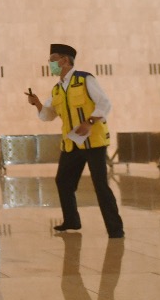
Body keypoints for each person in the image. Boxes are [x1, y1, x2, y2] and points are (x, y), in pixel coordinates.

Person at [26, 43, 125, 238]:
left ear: (64, 60)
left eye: (53, 59)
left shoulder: (85, 79)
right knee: (63, 181)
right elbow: (48, 115)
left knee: (100, 185)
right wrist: (37, 103)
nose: (50, 64)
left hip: (93, 141)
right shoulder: (57, 89)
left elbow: (105, 103)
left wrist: (89, 122)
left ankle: (115, 229)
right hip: (71, 143)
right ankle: (72, 220)